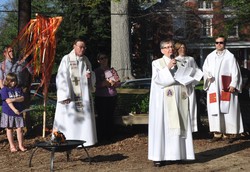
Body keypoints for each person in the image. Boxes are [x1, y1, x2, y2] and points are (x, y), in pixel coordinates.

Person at [148, 39, 195, 167]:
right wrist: (167, 68)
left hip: (179, 99)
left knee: (179, 125)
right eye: (167, 47)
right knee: (163, 127)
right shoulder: (157, 63)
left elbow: (185, 77)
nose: (170, 49)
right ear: (162, 50)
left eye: (171, 47)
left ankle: (177, 155)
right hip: (163, 102)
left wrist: (189, 78)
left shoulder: (179, 62)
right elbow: (158, 80)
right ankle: (160, 156)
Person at [53, 38, 97, 147]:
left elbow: (91, 73)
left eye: (84, 47)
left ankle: (86, 140)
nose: (82, 49)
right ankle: (68, 140)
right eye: (80, 47)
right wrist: (64, 95)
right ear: (74, 46)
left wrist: (90, 76)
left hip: (84, 96)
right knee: (70, 119)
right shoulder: (67, 59)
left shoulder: (86, 60)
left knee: (84, 118)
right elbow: (61, 77)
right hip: (71, 96)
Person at [202, 35, 244, 143]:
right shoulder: (210, 56)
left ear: (225, 44)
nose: (219, 44)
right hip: (213, 87)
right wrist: (208, 76)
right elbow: (205, 69)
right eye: (217, 43)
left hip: (226, 87)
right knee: (214, 109)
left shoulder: (230, 56)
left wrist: (233, 84)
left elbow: (235, 71)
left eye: (221, 42)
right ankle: (217, 132)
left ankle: (228, 133)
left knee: (227, 109)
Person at [0, 46, 33, 136]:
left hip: (21, 89)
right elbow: (1, 80)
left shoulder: (20, 63)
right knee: (10, 112)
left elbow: (32, 72)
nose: (12, 53)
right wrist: (4, 93)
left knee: (24, 111)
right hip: (8, 91)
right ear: (5, 53)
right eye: (9, 51)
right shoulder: (2, 65)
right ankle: (12, 131)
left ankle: (26, 132)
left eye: (12, 51)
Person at [175, 41, 200, 133]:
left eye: (184, 47)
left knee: (191, 106)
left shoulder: (190, 59)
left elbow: (197, 71)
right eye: (180, 48)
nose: (182, 49)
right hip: (179, 87)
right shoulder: (175, 60)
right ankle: (181, 128)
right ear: (177, 49)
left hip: (189, 86)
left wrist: (192, 80)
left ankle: (192, 129)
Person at [94, 53, 120, 141]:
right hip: (101, 97)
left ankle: (110, 135)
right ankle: (101, 136)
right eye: (101, 58)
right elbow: (94, 85)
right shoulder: (96, 72)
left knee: (110, 115)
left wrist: (114, 83)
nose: (104, 60)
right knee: (102, 116)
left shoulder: (112, 71)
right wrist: (103, 83)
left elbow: (118, 82)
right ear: (98, 61)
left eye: (105, 57)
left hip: (112, 96)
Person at [0, 72, 27, 152]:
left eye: (14, 81)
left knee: (19, 129)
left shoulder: (18, 88)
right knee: (9, 129)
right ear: (7, 81)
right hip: (8, 112)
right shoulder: (4, 90)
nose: (13, 83)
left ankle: (21, 145)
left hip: (19, 112)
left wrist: (14, 99)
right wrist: (14, 110)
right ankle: (12, 146)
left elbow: (22, 98)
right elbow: (8, 101)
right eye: (11, 81)